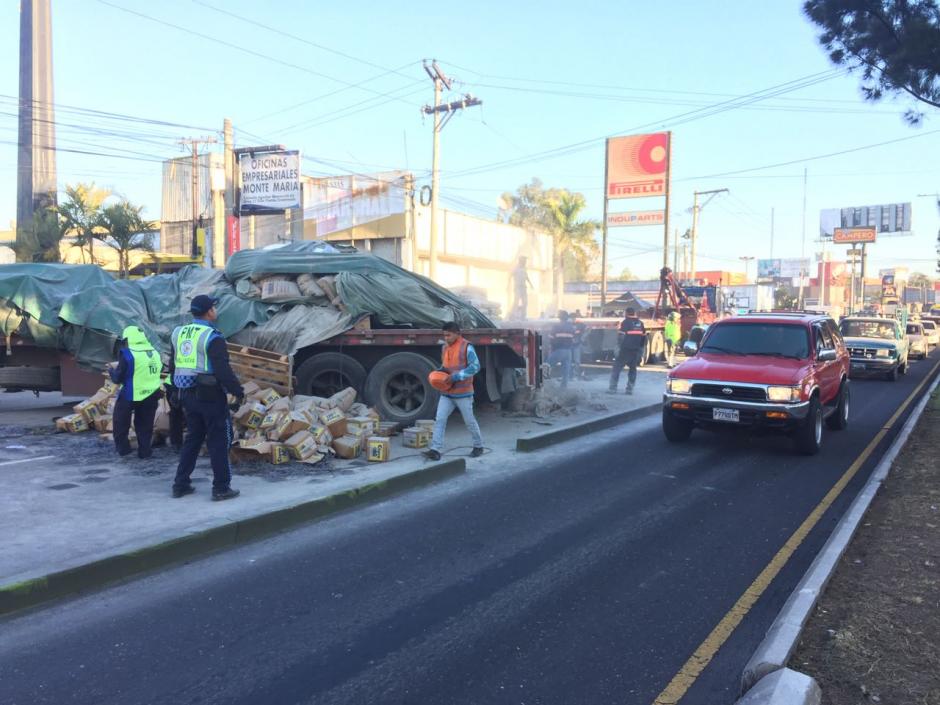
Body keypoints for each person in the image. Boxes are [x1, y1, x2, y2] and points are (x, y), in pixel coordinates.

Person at [169, 295, 244, 501]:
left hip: (186, 394)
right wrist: (237, 391)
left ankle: (180, 484)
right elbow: (222, 370)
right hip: (210, 397)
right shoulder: (212, 336)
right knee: (219, 440)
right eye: (214, 307)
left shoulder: (179, 333)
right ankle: (221, 488)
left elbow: (173, 364)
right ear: (210, 311)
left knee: (193, 438)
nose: (215, 310)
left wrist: (174, 391)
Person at [423, 321, 484, 461]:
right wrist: (439, 373)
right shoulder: (445, 347)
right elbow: (445, 367)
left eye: (448, 335)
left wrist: (455, 377)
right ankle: (435, 449)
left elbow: (475, 367)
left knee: (469, 421)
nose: (446, 338)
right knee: (440, 420)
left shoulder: (467, 347)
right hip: (447, 392)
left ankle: (478, 446)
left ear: (457, 334)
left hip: (463, 393)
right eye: (444, 335)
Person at [108, 326, 162, 459]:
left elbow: (118, 378)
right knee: (145, 425)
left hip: (131, 394)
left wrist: (111, 370)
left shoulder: (127, 354)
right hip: (151, 394)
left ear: (128, 339)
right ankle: (145, 452)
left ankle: (124, 450)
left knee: (120, 422)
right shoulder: (154, 352)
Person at [608, 307, 646, 395]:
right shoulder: (640, 323)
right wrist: (640, 348)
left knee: (616, 368)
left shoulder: (625, 322)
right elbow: (644, 337)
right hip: (635, 350)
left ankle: (613, 388)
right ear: (634, 313)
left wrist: (618, 347)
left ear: (627, 313)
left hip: (625, 350)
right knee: (633, 369)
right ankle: (630, 389)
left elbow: (621, 336)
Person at [549, 311, 576, 387]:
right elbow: (573, 339)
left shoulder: (556, 326)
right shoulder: (571, 327)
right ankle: (563, 388)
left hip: (559, 350)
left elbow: (551, 339)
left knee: (546, 366)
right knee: (565, 372)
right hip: (568, 351)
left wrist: (552, 349)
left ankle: (543, 384)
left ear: (559, 318)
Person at [572, 310, 587, 379]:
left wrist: (582, 338)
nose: (573, 319)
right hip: (569, 345)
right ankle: (568, 375)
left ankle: (575, 374)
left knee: (577, 361)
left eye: (574, 318)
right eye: (572, 318)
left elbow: (587, 329)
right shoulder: (568, 325)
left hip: (576, 345)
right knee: (568, 361)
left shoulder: (580, 324)